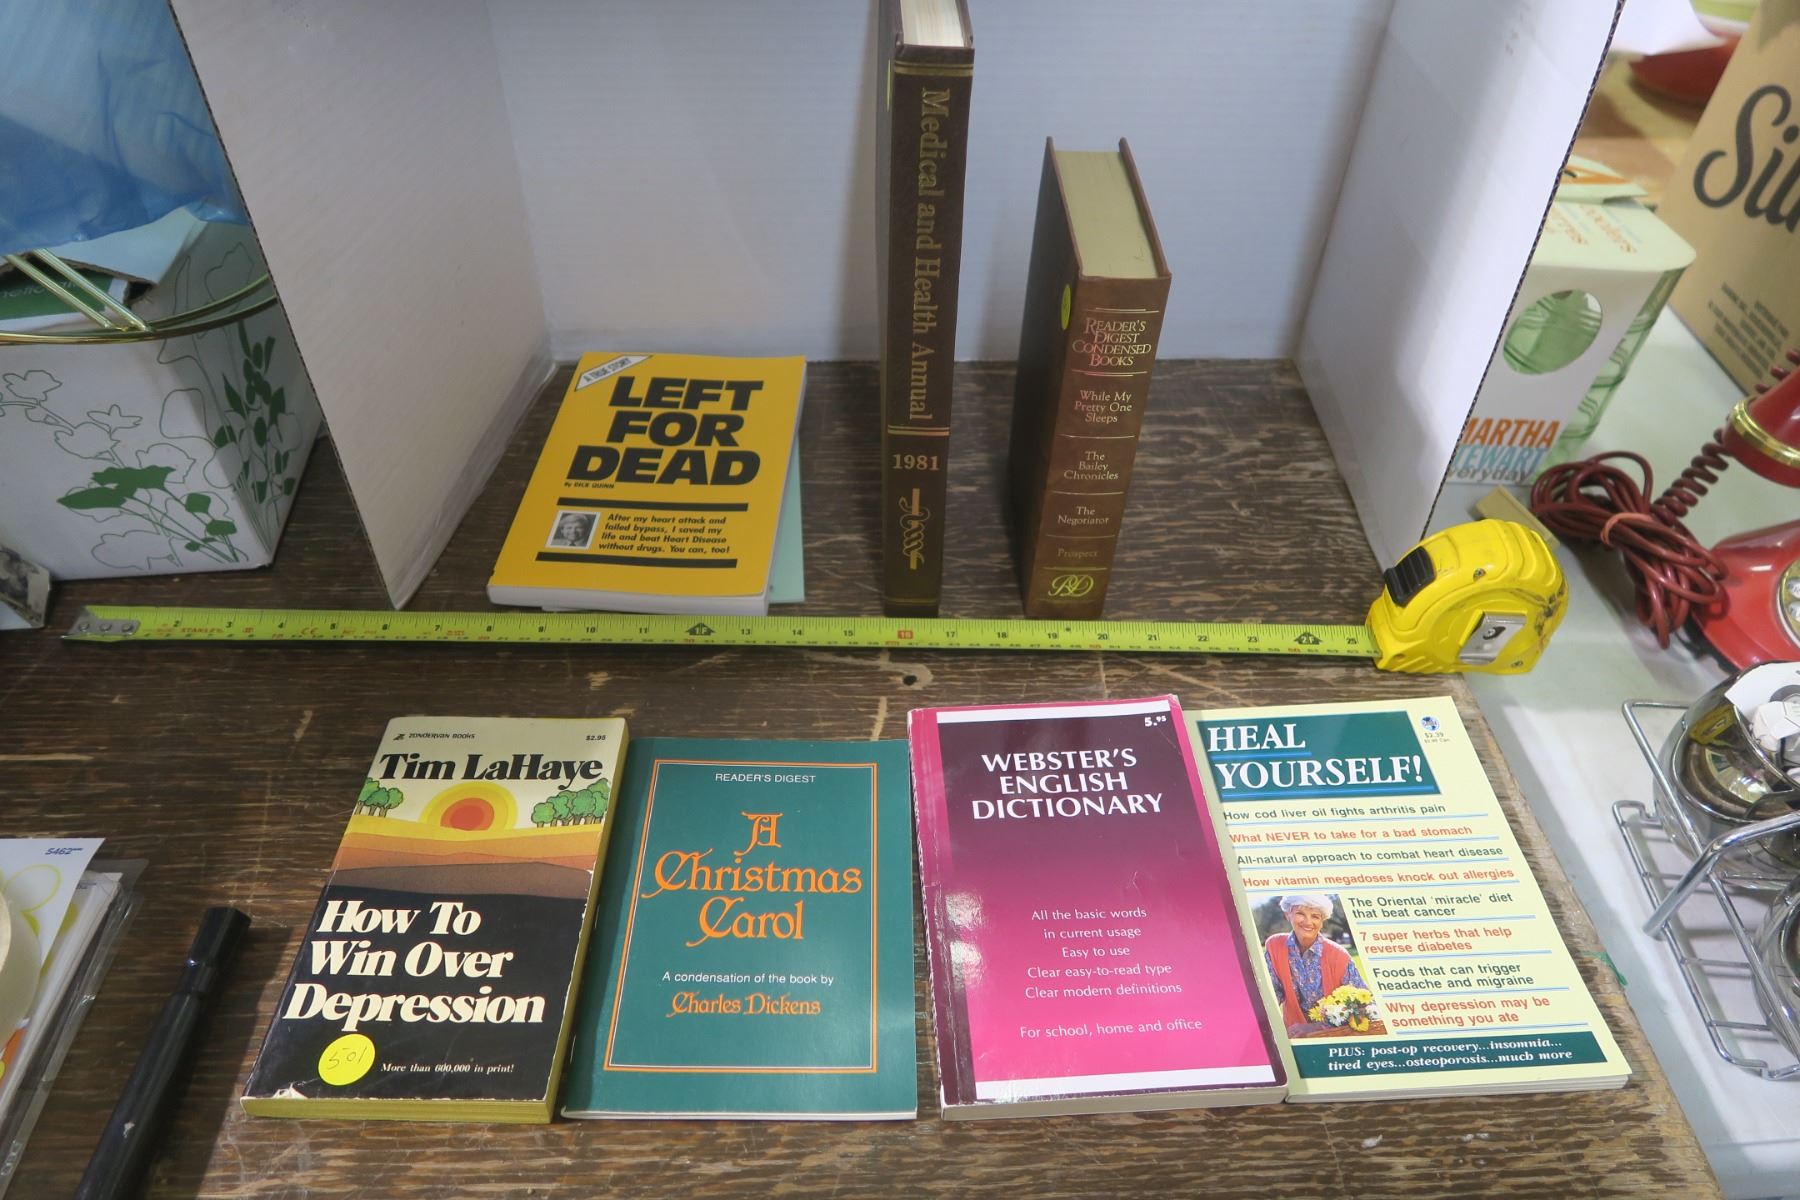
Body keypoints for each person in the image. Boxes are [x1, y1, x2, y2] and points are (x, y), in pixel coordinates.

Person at [1264, 893, 1366, 1036]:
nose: (1308, 922)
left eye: (1315, 916)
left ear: (1322, 921)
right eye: (1300, 913)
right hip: (1293, 1034)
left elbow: (1364, 1006)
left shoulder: (1339, 955)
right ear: (1288, 915)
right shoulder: (1275, 946)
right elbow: (1273, 991)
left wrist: (1317, 1027)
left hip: (1334, 1035)